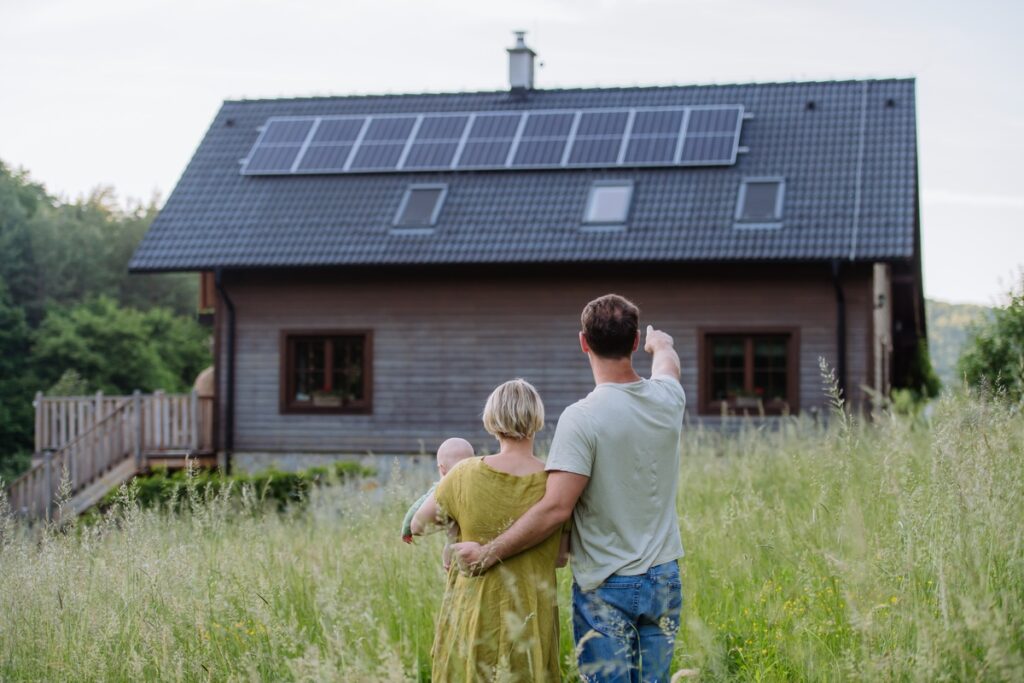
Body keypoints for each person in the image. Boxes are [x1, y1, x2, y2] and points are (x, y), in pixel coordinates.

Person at [452, 294, 686, 683]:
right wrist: (662, 344)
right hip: (664, 577)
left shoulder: (582, 418)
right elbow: (668, 367)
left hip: (607, 584)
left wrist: (487, 554)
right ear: (633, 343)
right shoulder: (667, 397)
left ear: (583, 342)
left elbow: (556, 509)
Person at [411, 379, 569, 682]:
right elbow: (561, 558)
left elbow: (418, 525)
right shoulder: (556, 481)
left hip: (474, 612)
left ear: (492, 420)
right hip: (531, 614)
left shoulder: (464, 473)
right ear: (536, 419)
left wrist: (445, 487)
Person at [401, 437, 475, 544]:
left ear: (442, 468)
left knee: (451, 545)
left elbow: (415, 509)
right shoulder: (477, 484)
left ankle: (447, 561)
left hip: (458, 542)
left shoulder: (439, 489)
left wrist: (406, 530)